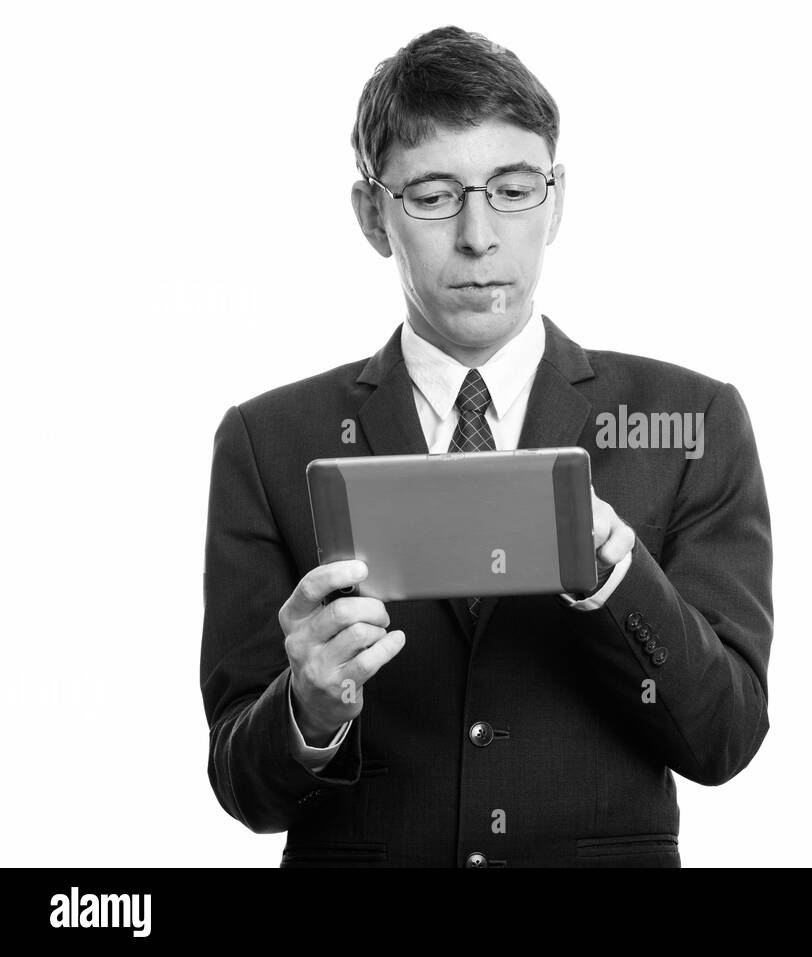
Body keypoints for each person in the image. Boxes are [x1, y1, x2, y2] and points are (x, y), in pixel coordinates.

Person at [200, 25, 773, 867]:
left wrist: (620, 580)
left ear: (557, 198)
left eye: (512, 189)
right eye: (432, 195)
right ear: (372, 214)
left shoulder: (691, 420)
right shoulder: (266, 441)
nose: (478, 236)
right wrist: (307, 711)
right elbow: (240, 783)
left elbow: (724, 737)